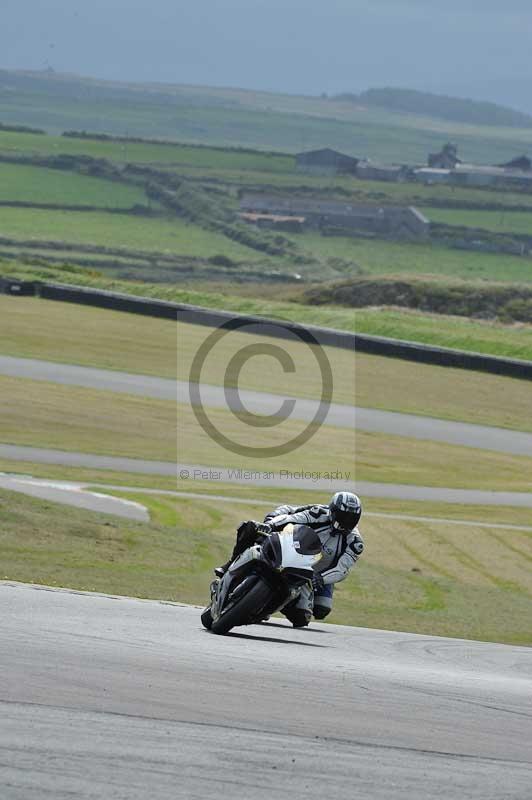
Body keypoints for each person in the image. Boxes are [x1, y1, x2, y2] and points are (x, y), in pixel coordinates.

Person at [215, 491, 364, 628]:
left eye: (351, 518)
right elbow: (292, 518)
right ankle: (230, 564)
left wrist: (321, 578)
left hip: (312, 572)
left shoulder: (355, 542)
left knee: (311, 614)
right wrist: (270, 525)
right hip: (288, 540)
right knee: (250, 528)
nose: (346, 522)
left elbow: (342, 569)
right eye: (343, 516)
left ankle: (271, 604)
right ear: (333, 511)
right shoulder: (318, 514)